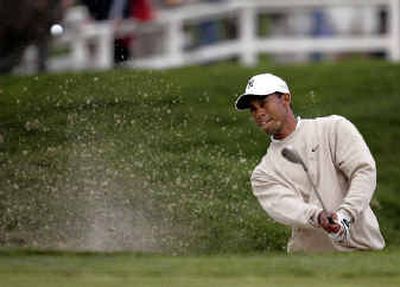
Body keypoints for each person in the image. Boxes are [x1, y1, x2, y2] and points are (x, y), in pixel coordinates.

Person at [235, 73, 385, 253]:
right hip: (310, 263)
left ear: (286, 98)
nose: (259, 113)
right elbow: (288, 208)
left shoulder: (334, 128)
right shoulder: (263, 174)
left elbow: (364, 172)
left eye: (264, 103)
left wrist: (345, 215)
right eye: (253, 109)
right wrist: (318, 216)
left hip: (363, 252)